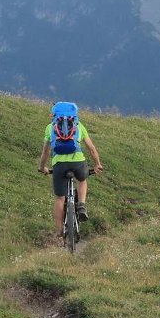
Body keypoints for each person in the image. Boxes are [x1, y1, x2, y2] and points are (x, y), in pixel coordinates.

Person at [38, 101, 104, 241]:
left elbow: (45, 153)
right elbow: (92, 149)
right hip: (78, 163)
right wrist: (97, 164)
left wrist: (42, 167)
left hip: (59, 165)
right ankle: (81, 205)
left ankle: (59, 232)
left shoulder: (50, 128)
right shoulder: (79, 126)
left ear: (54, 114)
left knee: (60, 198)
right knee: (82, 179)